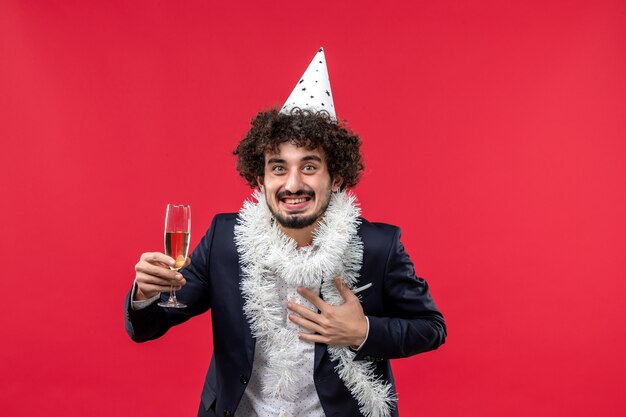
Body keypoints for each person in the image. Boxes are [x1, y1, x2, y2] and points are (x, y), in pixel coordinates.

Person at [125, 48, 446, 417]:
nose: (292, 184)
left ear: (336, 177)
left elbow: (431, 328)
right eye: (278, 168)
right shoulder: (224, 240)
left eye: (309, 166)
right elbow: (150, 326)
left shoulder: (377, 246)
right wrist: (145, 295)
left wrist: (362, 332)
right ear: (260, 179)